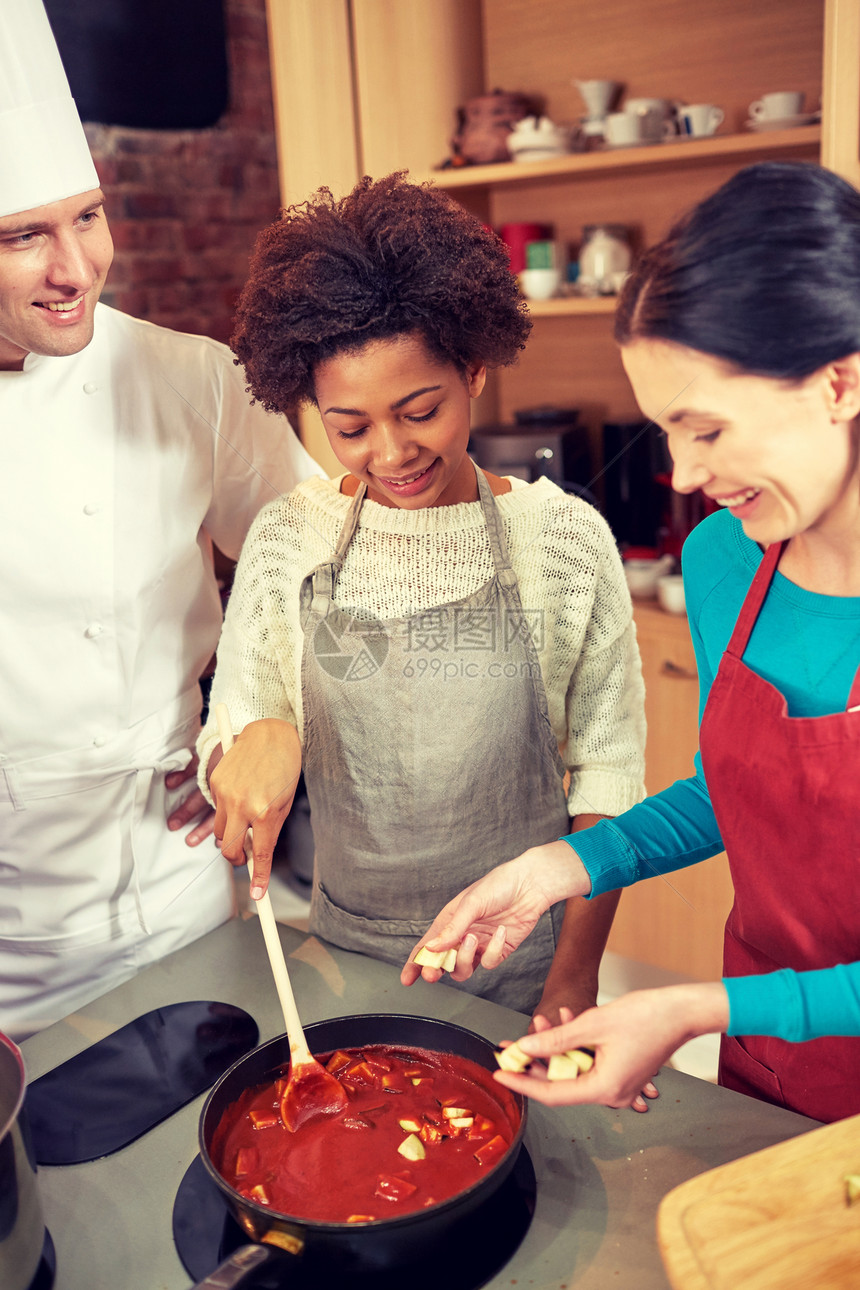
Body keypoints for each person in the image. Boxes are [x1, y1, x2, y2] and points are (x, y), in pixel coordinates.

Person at [404, 160, 860, 1125]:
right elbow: (739, 788)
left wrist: (696, 1008)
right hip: (770, 1063)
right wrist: (562, 868)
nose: (687, 474)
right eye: (665, 435)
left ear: (839, 380)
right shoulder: (727, 561)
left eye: (706, 429)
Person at [198, 172, 648, 1020]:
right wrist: (251, 736)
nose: (392, 451)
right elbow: (239, 731)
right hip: (351, 954)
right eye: (350, 427)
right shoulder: (290, 538)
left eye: (420, 409)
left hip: (524, 954)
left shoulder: (563, 540)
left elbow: (609, 776)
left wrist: (575, 977)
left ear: (474, 369)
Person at [0, 0, 322, 1040]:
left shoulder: (189, 378)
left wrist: (258, 716)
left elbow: (312, 557)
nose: (77, 268)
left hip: (190, 882)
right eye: (23, 237)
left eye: (86, 217)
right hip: (15, 943)